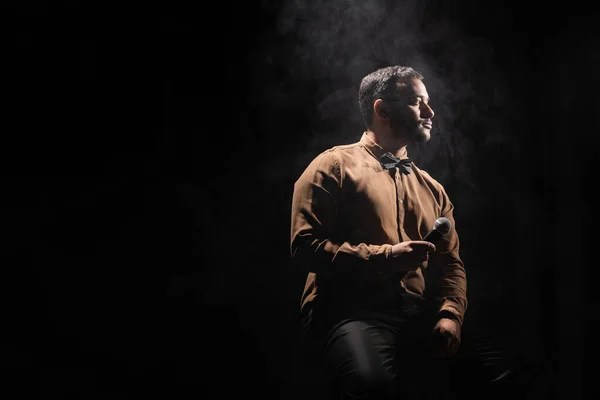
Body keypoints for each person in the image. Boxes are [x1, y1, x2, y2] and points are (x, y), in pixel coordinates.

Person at [290, 65, 468, 399]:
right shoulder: (332, 167)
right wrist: (386, 257)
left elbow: (451, 266)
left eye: (428, 102)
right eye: (418, 103)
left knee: (507, 371)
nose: (430, 112)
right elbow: (304, 248)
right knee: (372, 387)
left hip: (420, 317)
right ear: (382, 109)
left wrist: (450, 316)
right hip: (350, 312)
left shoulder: (434, 190)